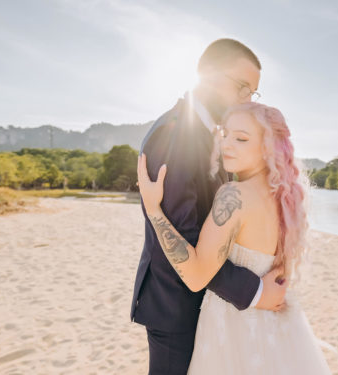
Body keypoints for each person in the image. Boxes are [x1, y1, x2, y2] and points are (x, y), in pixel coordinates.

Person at [129, 38, 289, 375]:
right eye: (243, 88)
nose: (247, 100)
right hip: (176, 308)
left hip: (204, 303)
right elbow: (185, 238)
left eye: (253, 93)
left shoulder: (210, 134)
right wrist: (256, 292)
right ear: (208, 75)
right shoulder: (176, 134)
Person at [137, 101, 332, 374]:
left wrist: (154, 209)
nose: (227, 144)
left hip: (230, 330)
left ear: (269, 149)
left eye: (241, 139)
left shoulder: (234, 195)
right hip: (276, 329)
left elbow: (195, 276)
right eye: (225, 134)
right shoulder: (286, 200)